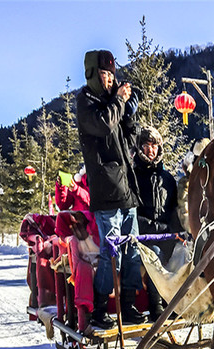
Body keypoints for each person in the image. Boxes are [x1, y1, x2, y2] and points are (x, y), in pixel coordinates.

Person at [76, 49, 146, 329]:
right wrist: (118, 100)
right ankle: (100, 309)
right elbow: (104, 125)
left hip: (127, 189)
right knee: (110, 252)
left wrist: (130, 114)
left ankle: (127, 304)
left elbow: (127, 141)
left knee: (132, 249)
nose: (108, 80)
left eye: (111, 75)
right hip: (106, 192)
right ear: (93, 74)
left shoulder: (111, 104)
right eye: (104, 75)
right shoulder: (86, 102)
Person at [133, 125, 179, 321]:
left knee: (183, 254)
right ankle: (156, 305)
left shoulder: (167, 179)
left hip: (168, 235)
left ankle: (177, 302)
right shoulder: (133, 176)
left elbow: (175, 210)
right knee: (156, 255)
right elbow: (133, 215)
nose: (150, 150)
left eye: (154, 145)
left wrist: (178, 232)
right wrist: (159, 229)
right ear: (139, 148)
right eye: (146, 145)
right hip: (144, 237)